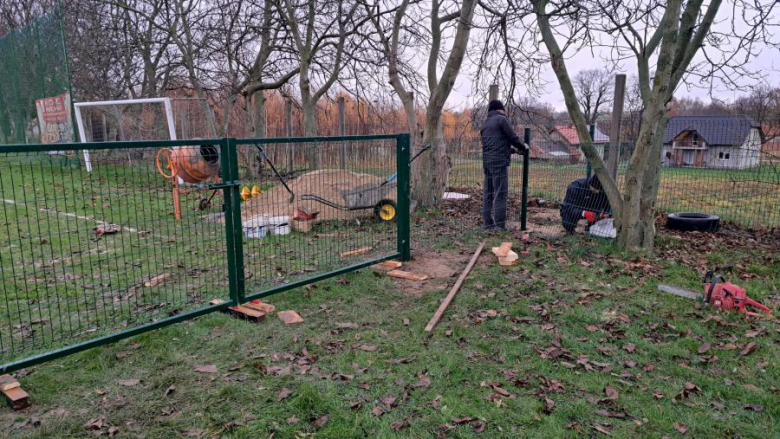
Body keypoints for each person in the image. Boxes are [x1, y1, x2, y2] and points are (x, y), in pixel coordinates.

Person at [479, 100, 528, 230]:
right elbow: (512, 137)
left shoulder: (485, 125)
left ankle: (488, 224)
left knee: (488, 193)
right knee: (501, 193)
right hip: (499, 163)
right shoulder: (501, 120)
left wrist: (513, 150)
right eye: (503, 110)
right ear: (500, 109)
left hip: (487, 162)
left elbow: (494, 146)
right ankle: (500, 226)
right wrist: (523, 147)